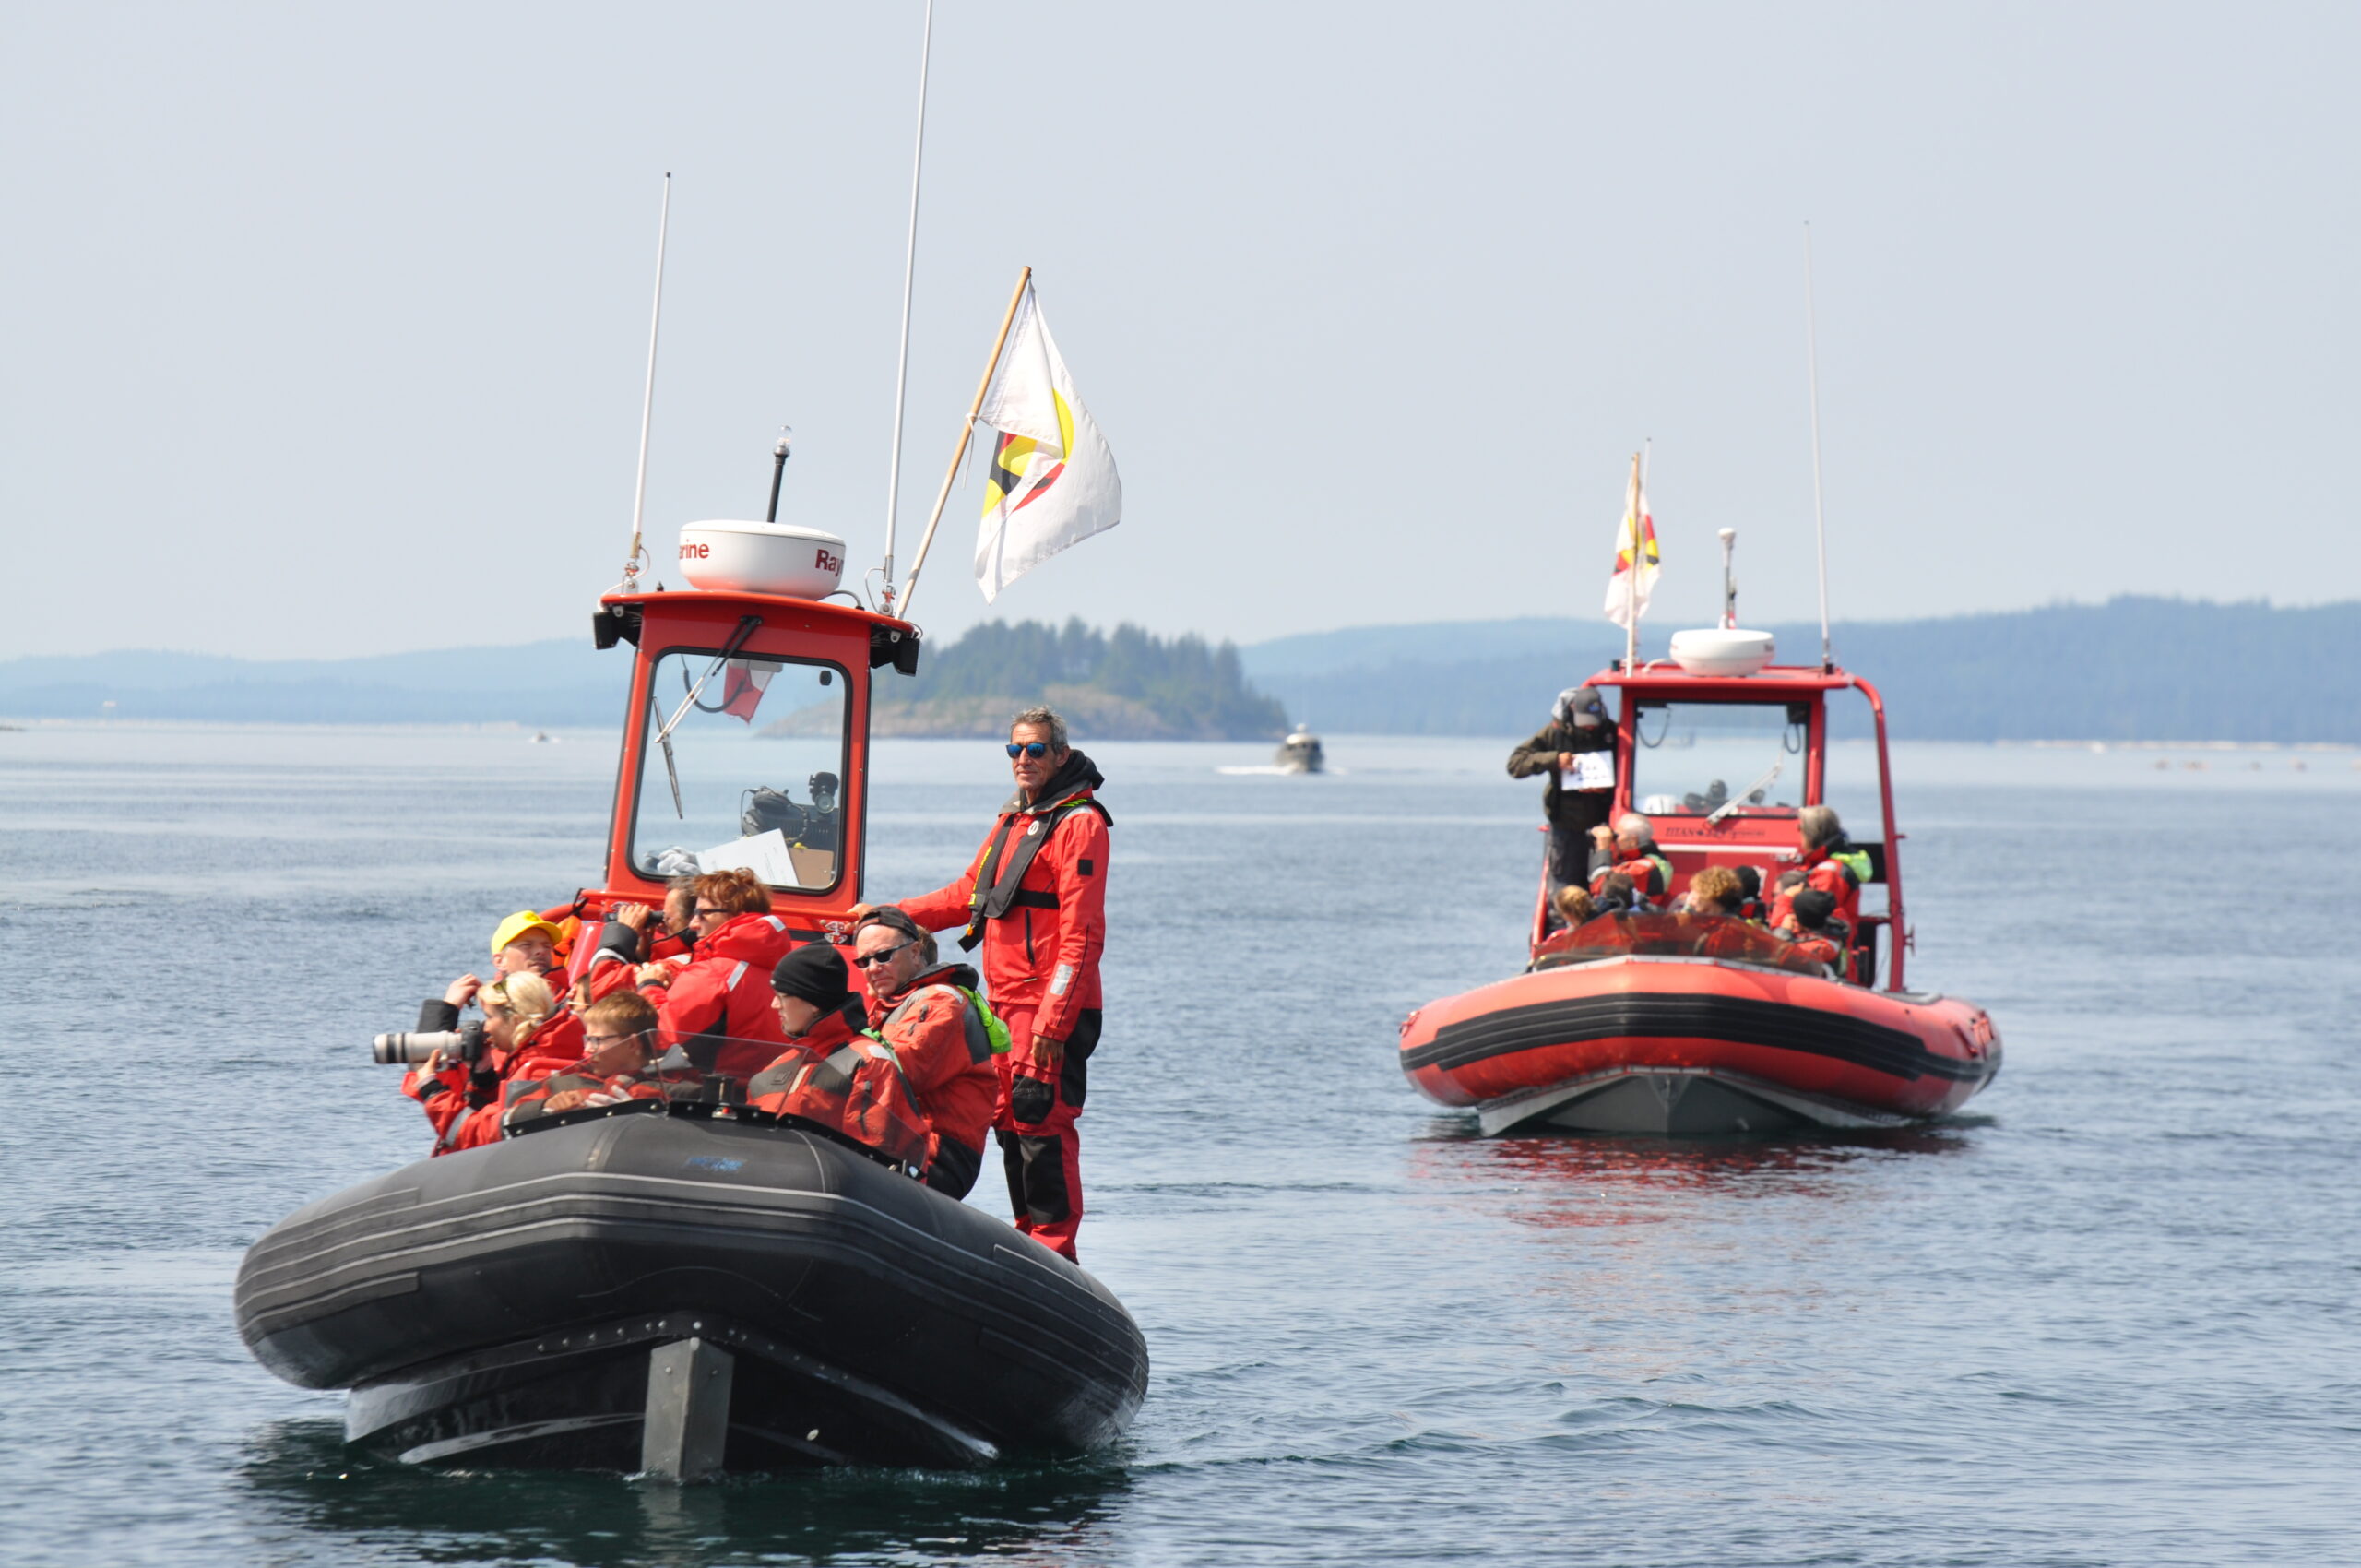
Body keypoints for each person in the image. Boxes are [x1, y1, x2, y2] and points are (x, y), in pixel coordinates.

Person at [863, 705, 1109, 1263]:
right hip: (1003, 1003)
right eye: (1015, 750)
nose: (1024, 759)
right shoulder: (1015, 821)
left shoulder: (1079, 824)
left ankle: (1056, 1252)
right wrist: (887, 916)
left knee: (1041, 1119)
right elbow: (964, 895)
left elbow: (1082, 936)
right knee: (1009, 1121)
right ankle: (1030, 1239)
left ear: (1061, 756)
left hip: (1047, 1003)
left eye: (1036, 750)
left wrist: (1053, 1022)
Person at [848, 909, 1002, 1199]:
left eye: (883, 956)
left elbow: (899, 1069)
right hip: (903, 1141)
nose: (872, 967)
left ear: (916, 953)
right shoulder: (895, 1005)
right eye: (863, 961)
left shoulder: (939, 1002)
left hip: (936, 1154)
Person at [749, 944, 931, 1172]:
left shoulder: (867, 1061)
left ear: (813, 1002)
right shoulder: (776, 1067)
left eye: (782, 996)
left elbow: (876, 1155)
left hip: (828, 1192)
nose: (774, 1004)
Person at [639, 868, 794, 1078]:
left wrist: (650, 985)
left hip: (708, 1094)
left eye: (705, 913)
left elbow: (661, 1036)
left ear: (739, 916)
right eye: (695, 913)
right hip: (758, 1092)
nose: (694, 924)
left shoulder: (715, 973)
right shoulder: (782, 970)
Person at [404, 972, 578, 1153]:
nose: (485, 1028)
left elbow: (474, 1134)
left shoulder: (538, 1070)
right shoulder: (548, 1050)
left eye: (489, 1017)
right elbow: (501, 1114)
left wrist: (432, 1091)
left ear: (515, 1021)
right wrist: (485, 1078)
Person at [496, 990, 686, 1136]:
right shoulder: (564, 1084)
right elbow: (510, 1119)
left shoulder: (675, 1092)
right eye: (588, 1040)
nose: (588, 1050)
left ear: (632, 1043)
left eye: (598, 1041)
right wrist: (545, 1106)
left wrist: (644, 1120)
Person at [1507, 686, 1617, 910]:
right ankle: (1560, 931)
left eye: (1593, 722)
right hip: (1565, 826)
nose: (1589, 726)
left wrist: (1604, 791)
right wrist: (1553, 760)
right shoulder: (1554, 733)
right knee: (1563, 887)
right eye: (1584, 721)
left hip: (1603, 826)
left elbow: (1627, 774)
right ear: (1572, 711)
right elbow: (1515, 764)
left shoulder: (1612, 733)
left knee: (1602, 883)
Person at [578, 875, 698, 1004]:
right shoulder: (691, 959)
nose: (660, 925)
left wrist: (623, 932)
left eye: (667, 919)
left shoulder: (683, 965)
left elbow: (603, 988)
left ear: (695, 921)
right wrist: (644, 956)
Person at [1795, 805, 1873, 931]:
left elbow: (1816, 914)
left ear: (1811, 833)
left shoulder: (1829, 871)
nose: (1798, 832)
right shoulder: (1827, 865)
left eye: (1800, 828)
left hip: (1823, 943)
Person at [1588, 813, 1672, 907]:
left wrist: (1603, 849)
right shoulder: (1639, 858)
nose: (1613, 840)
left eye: (1616, 836)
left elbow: (1601, 886)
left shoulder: (1642, 868)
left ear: (1633, 840)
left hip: (1635, 918)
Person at [1778, 887, 1851, 973]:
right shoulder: (1815, 933)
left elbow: (1782, 959)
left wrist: (1784, 931)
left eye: (1795, 913)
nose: (1792, 916)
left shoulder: (1824, 947)